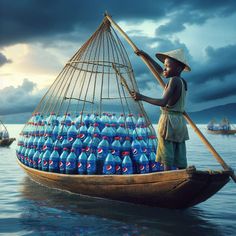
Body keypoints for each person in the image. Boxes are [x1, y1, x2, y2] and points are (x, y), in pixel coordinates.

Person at [131, 48, 190, 171]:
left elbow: (163, 102)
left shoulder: (173, 81)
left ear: (178, 68)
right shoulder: (182, 81)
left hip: (168, 122)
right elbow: (161, 71)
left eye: (167, 66)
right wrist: (146, 56)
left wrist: (141, 97)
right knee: (179, 153)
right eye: (165, 66)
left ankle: (168, 176)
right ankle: (183, 172)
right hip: (179, 122)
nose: (164, 69)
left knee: (166, 154)